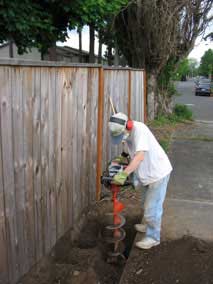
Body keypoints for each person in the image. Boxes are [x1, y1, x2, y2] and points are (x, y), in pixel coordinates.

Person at [108, 112, 172, 249]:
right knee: (145, 203)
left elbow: (139, 157)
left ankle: (153, 237)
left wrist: (123, 174)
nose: (122, 138)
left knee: (152, 209)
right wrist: (122, 156)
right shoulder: (128, 132)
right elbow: (129, 145)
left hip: (157, 173)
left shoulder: (140, 130)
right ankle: (147, 225)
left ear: (128, 125)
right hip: (145, 173)